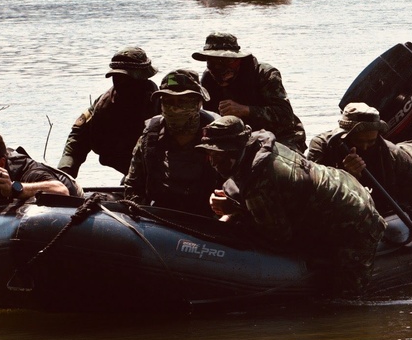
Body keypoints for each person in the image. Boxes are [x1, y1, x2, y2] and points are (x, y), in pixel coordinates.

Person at [199, 116, 386, 298]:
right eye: (210, 154)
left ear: (237, 150)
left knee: (345, 299)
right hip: (343, 187)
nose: (214, 162)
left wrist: (236, 209)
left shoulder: (262, 179)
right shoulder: (259, 148)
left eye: (220, 155)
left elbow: (277, 235)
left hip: (356, 217)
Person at [307, 103, 412, 253]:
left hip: (408, 175)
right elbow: (313, 196)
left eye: (371, 142)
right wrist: (345, 176)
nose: (365, 147)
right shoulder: (323, 147)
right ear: (345, 136)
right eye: (359, 142)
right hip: (346, 212)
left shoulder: (393, 155)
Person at [123, 69, 221, 216]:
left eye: (182, 101)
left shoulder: (218, 135)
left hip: (207, 217)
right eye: (168, 101)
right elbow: (133, 185)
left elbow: (234, 185)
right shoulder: (151, 135)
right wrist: (140, 213)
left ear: (198, 103)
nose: (175, 108)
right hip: (161, 218)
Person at [192, 32, 307, 153]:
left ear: (238, 60)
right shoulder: (208, 80)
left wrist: (246, 110)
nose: (217, 68)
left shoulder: (264, 75)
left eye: (223, 61)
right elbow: (211, 120)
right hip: (238, 137)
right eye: (211, 62)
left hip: (283, 136)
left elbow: (286, 118)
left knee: (273, 163)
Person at [57, 46, 159, 179]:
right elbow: (77, 138)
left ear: (142, 78)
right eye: (116, 77)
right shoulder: (103, 105)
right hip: (126, 164)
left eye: (126, 78)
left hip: (160, 167)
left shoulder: (163, 103)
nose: (120, 83)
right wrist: (65, 173)